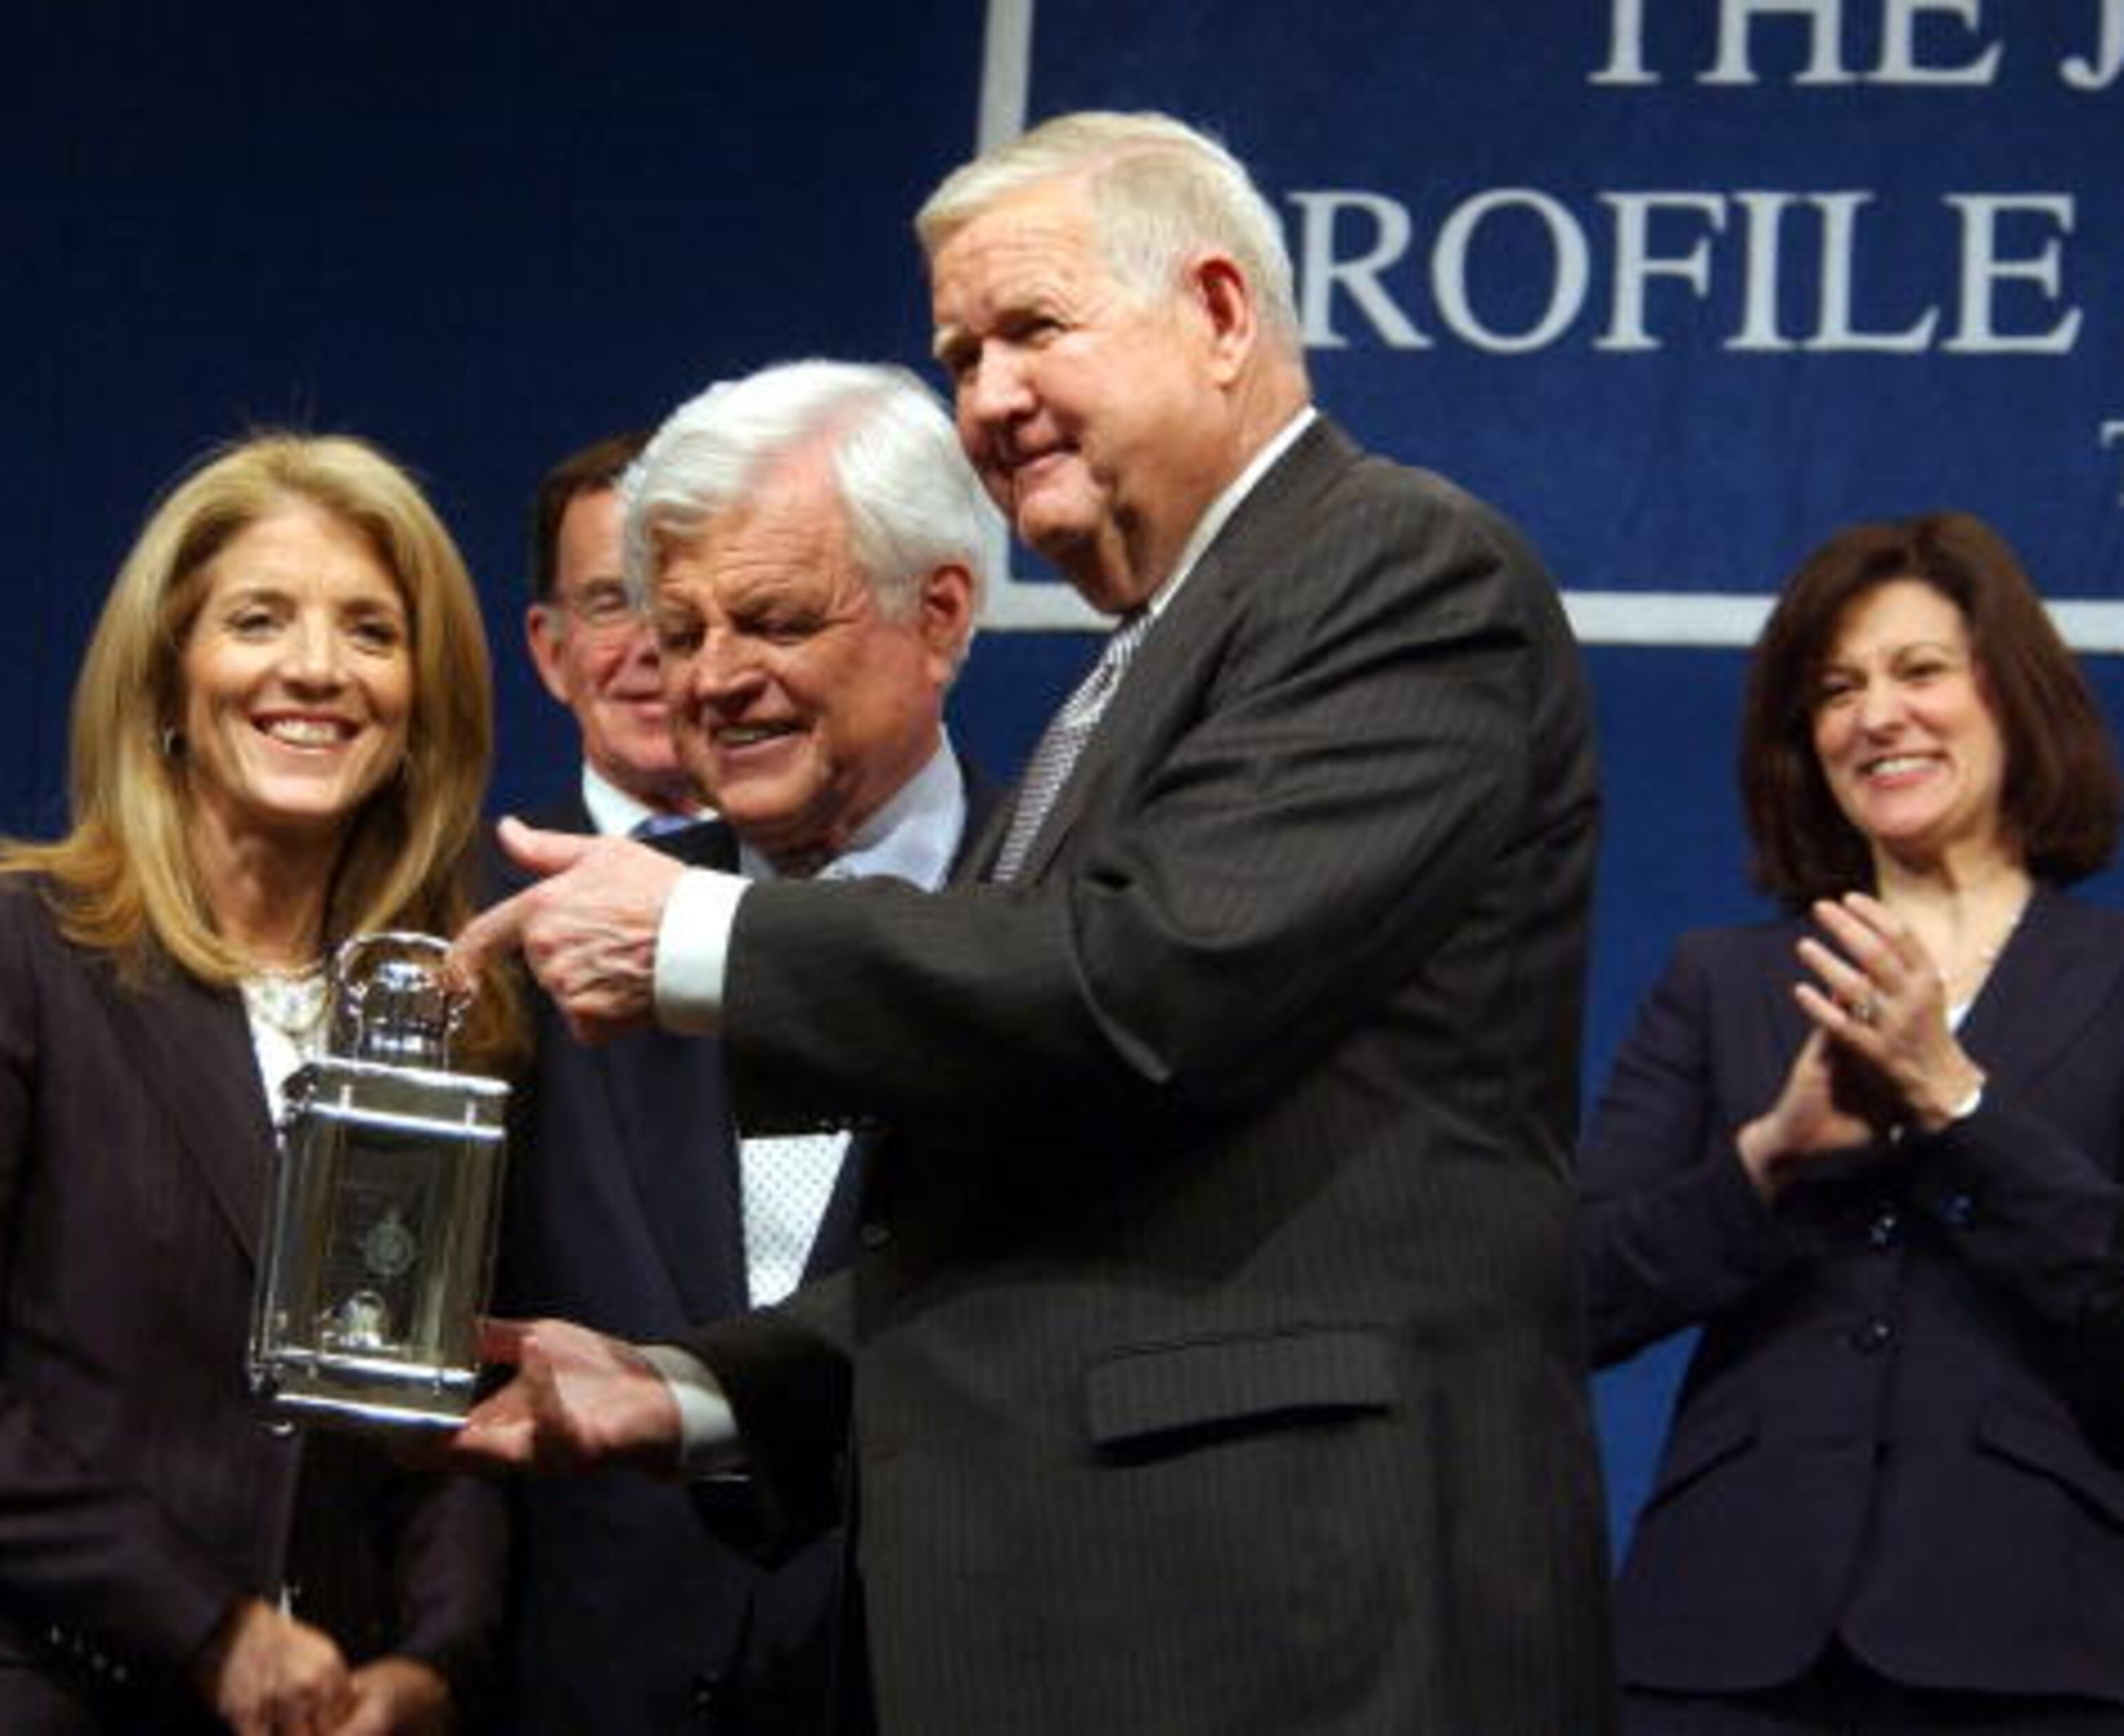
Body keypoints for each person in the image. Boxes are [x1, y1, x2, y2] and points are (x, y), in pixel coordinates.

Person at [449, 110, 1615, 1733]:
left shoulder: (1398, 574)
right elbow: (1032, 1201)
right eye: (958, 353)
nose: (986, 396)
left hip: (1288, 1613)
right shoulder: (1138, 668)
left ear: (1217, 313)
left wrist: (700, 939)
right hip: (1128, 1612)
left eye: (1032, 330)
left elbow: (1150, 983)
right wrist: (695, 1388)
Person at [0, 434, 515, 1736]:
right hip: (47, 1695)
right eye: (260, 620)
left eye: (371, 630)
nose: (316, 668)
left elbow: (456, 1405)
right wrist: (207, 1625)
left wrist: (437, 1656)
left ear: (423, 699)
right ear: (169, 681)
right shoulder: (22, 944)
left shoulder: (448, 1014)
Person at [495, 359, 997, 1736]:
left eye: (770, 621)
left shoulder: (1065, 920)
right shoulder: (559, 934)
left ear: (938, 615)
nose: (711, 682)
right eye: (678, 629)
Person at [1583, 511, 2124, 1731]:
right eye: (1836, 689)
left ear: (2012, 694)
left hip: (2036, 1646)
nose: (1877, 716)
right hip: (1723, 1645)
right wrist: (1766, 1158)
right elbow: (1567, 1292)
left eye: (1920, 670)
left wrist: (1958, 1101)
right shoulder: (1722, 979)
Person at [519, 430, 704, 839]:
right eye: (611, 604)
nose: (652, 645)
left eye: (680, 601)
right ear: (552, 653)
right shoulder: (458, 894)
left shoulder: (847, 881)